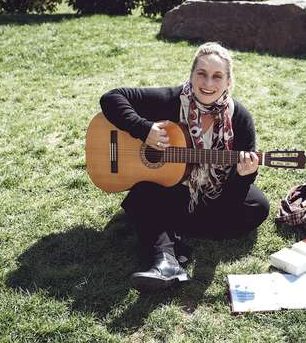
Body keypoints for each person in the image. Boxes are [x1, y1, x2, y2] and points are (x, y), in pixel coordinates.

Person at [100, 42, 269, 292]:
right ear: (191, 75)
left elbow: (235, 193)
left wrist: (244, 176)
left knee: (257, 206)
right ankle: (165, 261)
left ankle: (165, 227)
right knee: (146, 192)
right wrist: (144, 129)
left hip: (212, 192)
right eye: (201, 73)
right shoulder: (171, 100)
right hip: (171, 189)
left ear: (228, 82)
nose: (208, 83)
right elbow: (111, 98)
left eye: (217, 76)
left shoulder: (240, 118)